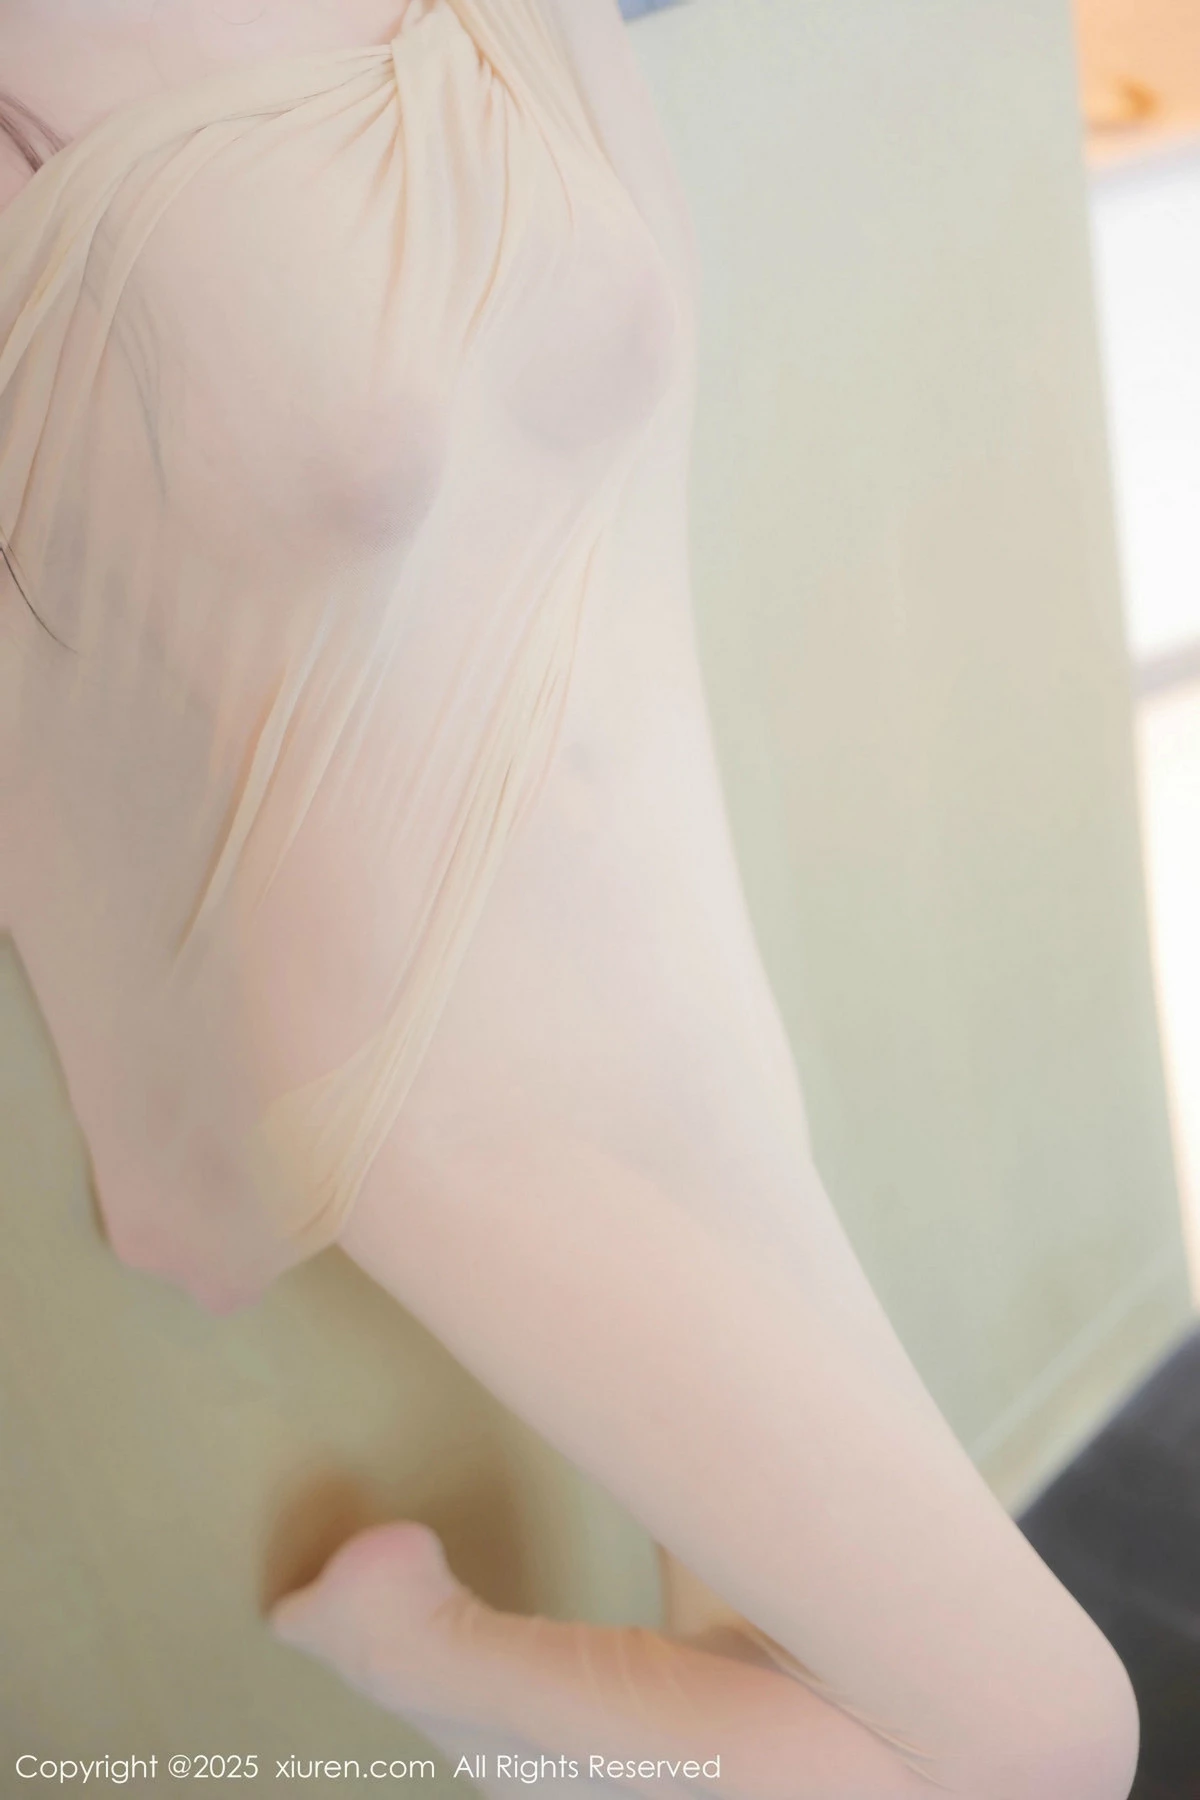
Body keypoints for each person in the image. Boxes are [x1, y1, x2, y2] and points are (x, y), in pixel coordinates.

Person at [0, 0, 1141, 1793]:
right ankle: (419, 1664)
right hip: (420, 1049)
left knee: (790, 1640)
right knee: (1046, 1740)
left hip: (671, 935)